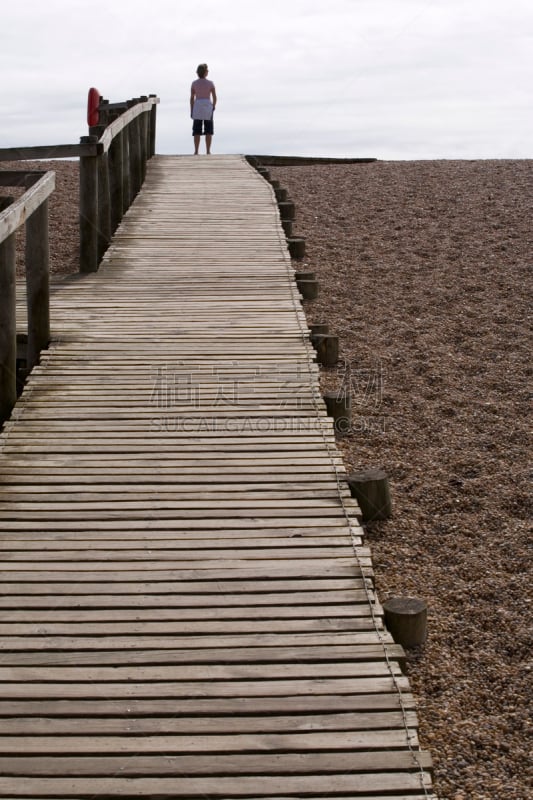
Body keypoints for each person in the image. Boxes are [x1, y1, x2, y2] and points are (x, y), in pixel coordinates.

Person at [190, 64, 217, 155]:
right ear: (205, 72)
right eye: (207, 70)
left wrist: (191, 110)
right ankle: (208, 151)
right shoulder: (210, 83)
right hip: (207, 106)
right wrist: (213, 106)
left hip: (197, 105)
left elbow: (192, 98)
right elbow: (214, 97)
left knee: (197, 130)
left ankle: (196, 151)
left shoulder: (194, 83)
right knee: (208, 130)